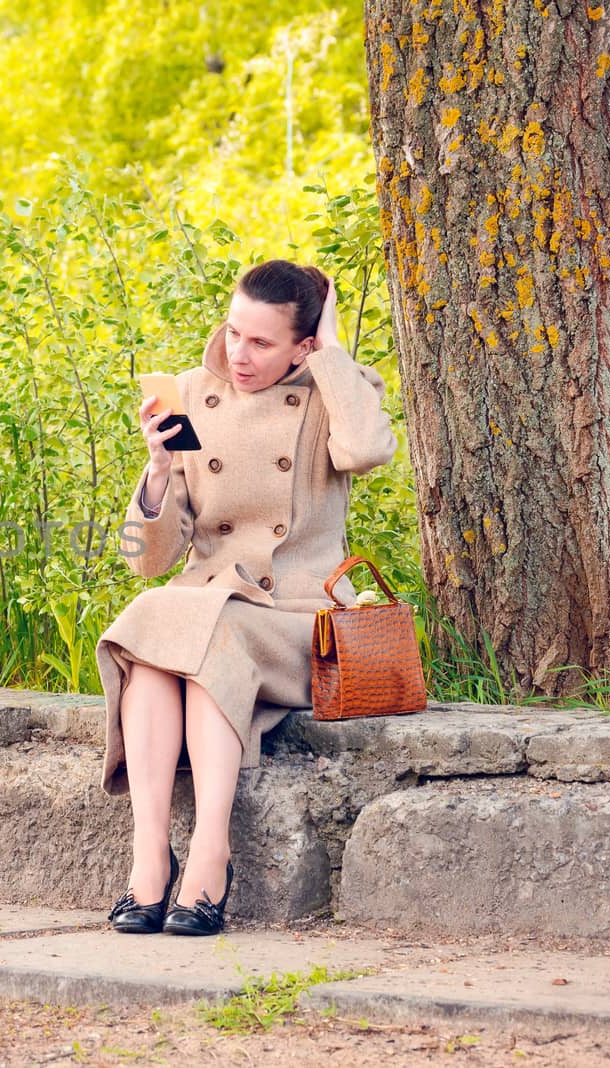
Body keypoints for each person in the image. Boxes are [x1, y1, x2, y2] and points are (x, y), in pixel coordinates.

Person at [95, 259, 399, 935]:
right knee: (156, 643)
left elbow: (370, 449)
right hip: (206, 604)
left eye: (262, 342)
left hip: (295, 618)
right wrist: (158, 468)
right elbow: (147, 562)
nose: (239, 353)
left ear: (305, 341)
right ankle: (151, 861)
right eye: (234, 333)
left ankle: (210, 855)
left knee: (201, 634)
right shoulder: (191, 393)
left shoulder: (334, 391)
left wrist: (334, 355)